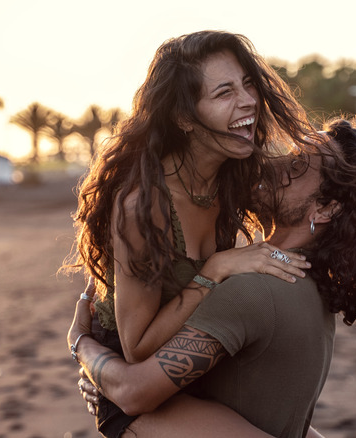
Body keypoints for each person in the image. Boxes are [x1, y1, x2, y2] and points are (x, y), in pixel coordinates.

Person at [68, 117, 356, 437]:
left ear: (324, 208)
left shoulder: (252, 290)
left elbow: (133, 393)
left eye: (295, 166)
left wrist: (83, 345)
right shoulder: (310, 290)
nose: (272, 166)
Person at [64, 30, 319, 437]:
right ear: (184, 118)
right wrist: (215, 269)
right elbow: (137, 347)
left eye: (247, 83)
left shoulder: (234, 176)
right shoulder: (145, 205)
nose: (248, 99)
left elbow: (305, 198)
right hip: (135, 389)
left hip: (193, 375)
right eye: (224, 93)